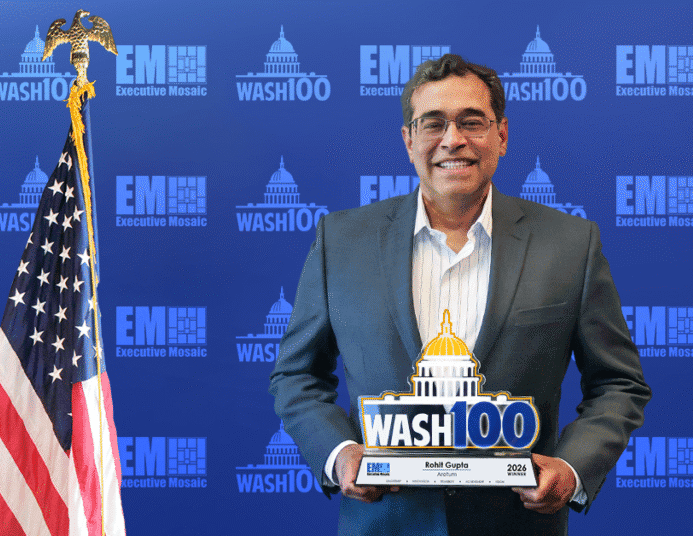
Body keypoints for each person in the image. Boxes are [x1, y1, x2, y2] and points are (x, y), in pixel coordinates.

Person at [270, 53, 650, 536]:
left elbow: (618, 383)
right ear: (408, 140)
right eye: (433, 123)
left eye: (472, 122)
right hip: (386, 523)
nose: (453, 139)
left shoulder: (571, 244)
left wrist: (572, 468)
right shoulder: (342, 242)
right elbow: (296, 375)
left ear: (502, 136)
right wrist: (339, 453)